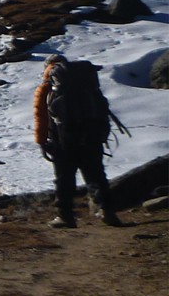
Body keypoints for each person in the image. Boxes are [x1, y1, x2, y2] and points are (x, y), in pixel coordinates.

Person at [34, 55, 128, 228]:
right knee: (96, 175)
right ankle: (107, 210)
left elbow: (40, 116)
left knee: (64, 179)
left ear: (48, 68)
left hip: (62, 140)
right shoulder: (86, 83)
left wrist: (41, 141)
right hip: (91, 137)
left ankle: (65, 216)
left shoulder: (49, 86)